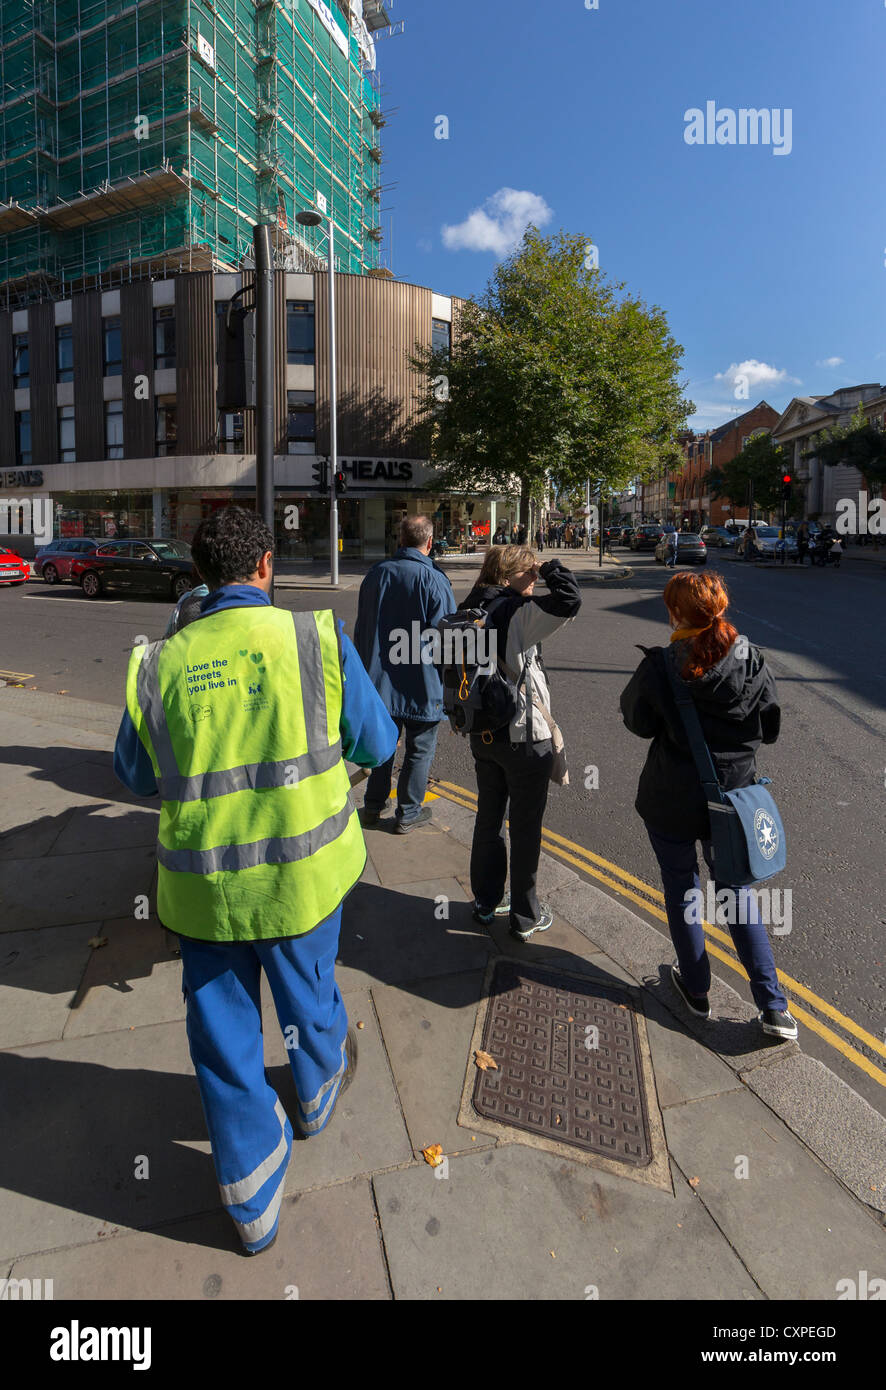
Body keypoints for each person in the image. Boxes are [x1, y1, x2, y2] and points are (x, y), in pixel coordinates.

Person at [114, 506, 397, 1254]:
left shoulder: (157, 662)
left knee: (222, 1039)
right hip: (303, 880)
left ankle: (251, 1205)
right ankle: (313, 1094)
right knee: (311, 995)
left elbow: (133, 773)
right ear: (266, 566)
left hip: (204, 894)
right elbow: (379, 739)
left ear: (201, 576)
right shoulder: (315, 637)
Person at [619, 571, 797, 1041]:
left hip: (671, 797)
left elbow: (636, 721)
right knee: (736, 893)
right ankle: (774, 1007)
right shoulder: (751, 658)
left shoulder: (660, 665)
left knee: (682, 890)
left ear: (676, 613)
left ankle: (696, 990)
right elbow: (771, 728)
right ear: (718, 608)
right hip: (733, 801)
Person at [460, 545, 581, 940]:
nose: (534, 578)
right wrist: (552, 567)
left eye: (536, 572)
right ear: (509, 574)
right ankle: (525, 916)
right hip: (523, 737)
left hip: (483, 734)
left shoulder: (470, 607)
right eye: (528, 571)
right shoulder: (516, 612)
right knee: (526, 828)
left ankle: (485, 902)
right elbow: (570, 599)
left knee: (489, 819)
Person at [354, 514, 456, 832]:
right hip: (422, 683)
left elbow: (364, 629)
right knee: (419, 748)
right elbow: (447, 639)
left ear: (400, 540)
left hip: (380, 682)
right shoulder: (435, 580)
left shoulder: (376, 575)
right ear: (429, 542)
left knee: (385, 744)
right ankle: (409, 811)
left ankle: (373, 805)